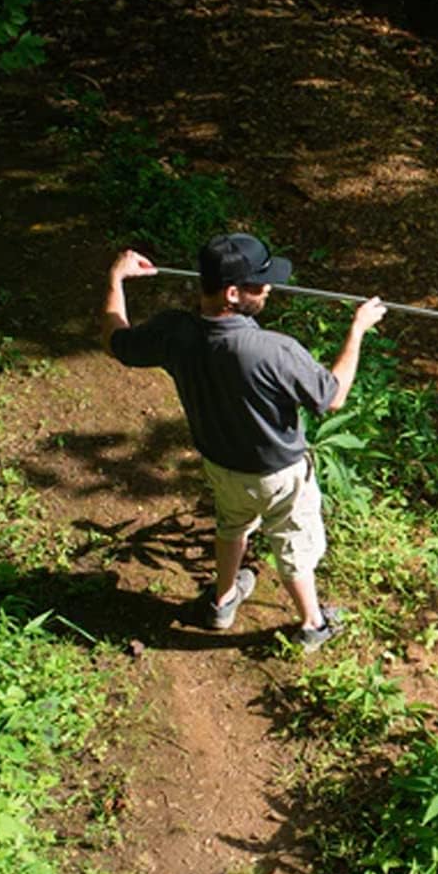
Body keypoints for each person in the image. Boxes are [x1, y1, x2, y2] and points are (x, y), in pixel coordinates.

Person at [101, 233, 387, 649]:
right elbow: (333, 396)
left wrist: (116, 280)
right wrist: (358, 329)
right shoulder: (271, 350)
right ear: (232, 293)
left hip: (221, 465)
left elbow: (116, 341)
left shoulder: (174, 332)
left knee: (232, 526)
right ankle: (312, 624)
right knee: (293, 543)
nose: (268, 288)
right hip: (281, 476)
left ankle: (222, 601)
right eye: (259, 283)